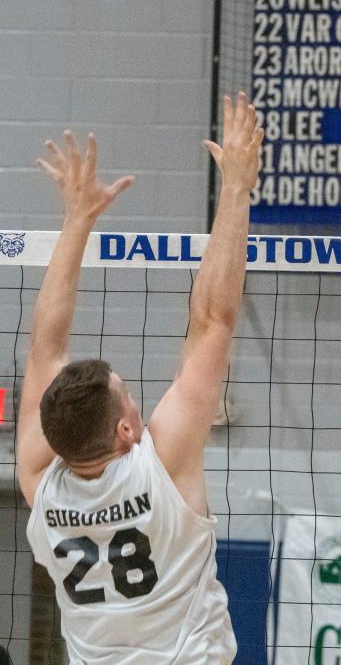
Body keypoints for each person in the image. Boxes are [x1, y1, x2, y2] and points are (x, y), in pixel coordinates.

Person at [17, 93, 263, 663]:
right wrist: (235, 188)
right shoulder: (164, 464)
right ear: (127, 431)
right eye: (130, 396)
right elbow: (214, 319)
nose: (139, 402)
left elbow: (43, 350)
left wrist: (76, 221)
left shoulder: (39, 482)